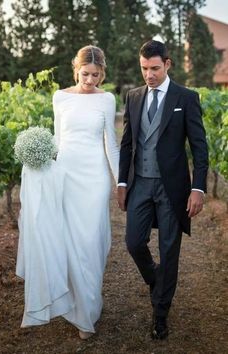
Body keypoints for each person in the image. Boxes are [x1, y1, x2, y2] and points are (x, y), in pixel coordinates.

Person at [16, 45, 119, 340]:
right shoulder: (60, 97)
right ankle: (78, 311)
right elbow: (58, 140)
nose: (90, 81)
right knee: (69, 240)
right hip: (67, 175)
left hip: (95, 177)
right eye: (86, 74)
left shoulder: (107, 99)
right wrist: (41, 170)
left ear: (102, 74)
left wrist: (119, 182)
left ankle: (89, 307)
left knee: (91, 242)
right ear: (76, 70)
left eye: (96, 75)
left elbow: (111, 144)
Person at [117, 40, 208, 340]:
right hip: (141, 182)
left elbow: (199, 147)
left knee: (169, 251)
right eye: (144, 69)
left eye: (155, 68)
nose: (149, 74)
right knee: (133, 242)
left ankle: (160, 314)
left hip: (173, 188)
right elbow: (127, 143)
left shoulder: (186, 97)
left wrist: (198, 188)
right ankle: (156, 280)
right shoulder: (133, 97)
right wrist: (121, 182)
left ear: (168, 64)